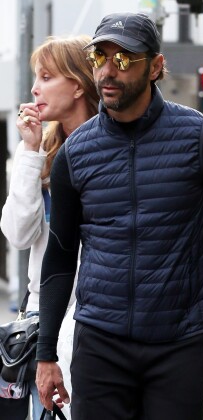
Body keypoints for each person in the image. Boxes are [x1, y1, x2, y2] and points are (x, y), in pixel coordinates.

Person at [34, 12, 203, 419]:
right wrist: (46, 352)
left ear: (155, 67)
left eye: (123, 59)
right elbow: (60, 255)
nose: (108, 70)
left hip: (177, 344)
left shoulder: (199, 137)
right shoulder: (76, 152)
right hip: (99, 346)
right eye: (99, 57)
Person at [1, 36, 99, 420]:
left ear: (78, 84)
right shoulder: (42, 152)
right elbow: (18, 234)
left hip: (97, 323)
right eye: (34, 77)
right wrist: (29, 151)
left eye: (46, 76)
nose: (34, 88)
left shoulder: (111, 152)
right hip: (45, 324)